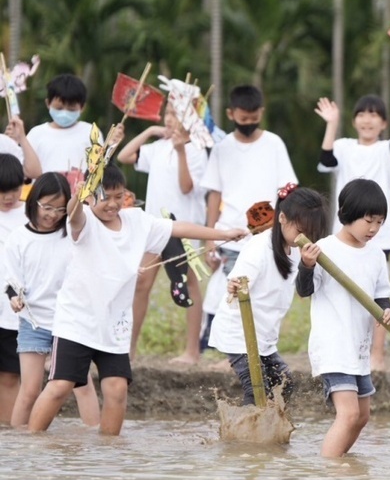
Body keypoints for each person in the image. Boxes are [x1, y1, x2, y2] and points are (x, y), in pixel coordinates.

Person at [27, 164, 248, 435]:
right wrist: (82, 188)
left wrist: (222, 234)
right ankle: (32, 442)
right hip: (77, 321)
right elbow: (73, 213)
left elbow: (177, 228)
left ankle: (110, 452)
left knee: (117, 389)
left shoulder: (137, 221)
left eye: (118, 196)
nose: (112, 204)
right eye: (105, 196)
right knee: (60, 386)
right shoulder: (84, 220)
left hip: (115, 325)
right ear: (90, 196)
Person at [296, 179, 390, 457]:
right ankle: (329, 472)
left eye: (380, 222)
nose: (374, 229)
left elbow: (381, 295)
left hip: (358, 348)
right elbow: (305, 291)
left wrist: (386, 312)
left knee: (362, 416)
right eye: (368, 221)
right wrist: (306, 265)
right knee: (349, 414)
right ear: (347, 213)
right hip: (333, 344)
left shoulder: (376, 255)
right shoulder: (323, 250)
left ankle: (339, 461)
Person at [208, 185, 328, 407]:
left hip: (264, 336)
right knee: (257, 391)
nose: (305, 238)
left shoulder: (298, 250)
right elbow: (237, 283)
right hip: (239, 333)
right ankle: (245, 438)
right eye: (301, 231)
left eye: (311, 234)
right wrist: (235, 286)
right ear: (282, 218)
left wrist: (307, 265)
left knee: (285, 383)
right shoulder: (259, 248)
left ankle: (267, 430)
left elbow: (304, 289)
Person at [200, 85, 298, 349]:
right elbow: (214, 194)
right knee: (224, 292)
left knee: (261, 293)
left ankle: (254, 346)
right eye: (243, 119)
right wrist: (210, 237)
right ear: (231, 114)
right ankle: (214, 346)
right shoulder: (222, 149)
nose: (249, 123)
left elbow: (287, 190)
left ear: (261, 113)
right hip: (229, 234)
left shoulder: (274, 144)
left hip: (266, 236)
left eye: (254, 119)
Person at [315, 93, 390, 371]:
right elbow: (326, 160)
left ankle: (376, 354)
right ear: (354, 120)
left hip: (380, 233)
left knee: (377, 295)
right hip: (343, 234)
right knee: (342, 293)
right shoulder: (343, 146)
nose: (367, 120)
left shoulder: (386, 149)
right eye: (362, 114)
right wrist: (331, 123)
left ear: (383, 123)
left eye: (374, 115)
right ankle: (346, 349)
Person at [5, 172, 100, 428]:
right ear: (33, 201)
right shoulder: (19, 239)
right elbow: (11, 282)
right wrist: (15, 299)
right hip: (33, 322)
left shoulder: (70, 233)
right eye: (47, 207)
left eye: (60, 209)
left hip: (69, 322)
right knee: (30, 390)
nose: (53, 215)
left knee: (82, 385)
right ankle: (19, 447)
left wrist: (82, 197)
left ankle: (100, 448)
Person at [116, 103, 208, 363]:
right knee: (141, 284)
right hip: (153, 228)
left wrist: (180, 152)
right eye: (167, 113)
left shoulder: (197, 150)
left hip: (183, 229)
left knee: (189, 285)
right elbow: (124, 156)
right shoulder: (158, 148)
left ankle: (192, 351)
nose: (169, 119)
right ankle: (129, 349)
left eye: (175, 115)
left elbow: (187, 187)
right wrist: (151, 132)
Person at [0, 155, 28, 423]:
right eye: (2, 191)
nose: (9, 197)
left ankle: (10, 433)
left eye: (14, 190)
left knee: (10, 375)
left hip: (13, 313)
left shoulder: (31, 214)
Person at [26, 74, 92, 177]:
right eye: (59, 108)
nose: (64, 113)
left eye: (71, 109)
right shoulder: (36, 134)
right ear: (48, 103)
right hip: (45, 192)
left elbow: (100, 169)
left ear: (82, 107)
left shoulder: (90, 132)